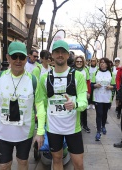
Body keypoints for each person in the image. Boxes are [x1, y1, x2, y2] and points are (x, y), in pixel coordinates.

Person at [0, 41, 46, 170]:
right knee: (4, 165)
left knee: (23, 163)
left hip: (25, 133)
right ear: (8, 58)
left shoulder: (33, 80)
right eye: (14, 57)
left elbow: (40, 106)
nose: (18, 60)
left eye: (22, 57)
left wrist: (40, 132)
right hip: (3, 132)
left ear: (26, 58)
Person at [40, 40, 87, 170]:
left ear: (67, 55)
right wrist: (40, 127)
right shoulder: (44, 78)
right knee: (56, 159)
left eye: (63, 52)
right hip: (53, 128)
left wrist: (75, 104)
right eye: (57, 52)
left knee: (78, 163)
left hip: (73, 128)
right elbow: (41, 104)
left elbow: (84, 101)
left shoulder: (77, 76)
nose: (60, 55)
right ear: (52, 55)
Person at [91, 58, 115, 141]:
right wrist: (95, 85)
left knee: (104, 114)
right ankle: (98, 131)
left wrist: (111, 87)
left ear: (107, 64)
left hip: (107, 98)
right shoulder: (96, 72)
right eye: (101, 62)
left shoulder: (111, 73)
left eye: (104, 63)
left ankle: (103, 126)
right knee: (99, 114)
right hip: (97, 97)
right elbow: (91, 84)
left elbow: (114, 86)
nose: (102, 64)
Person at [74, 55, 91, 133]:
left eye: (80, 61)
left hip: (83, 93)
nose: (79, 63)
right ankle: (76, 125)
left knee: (84, 110)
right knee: (75, 109)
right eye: (77, 61)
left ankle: (85, 125)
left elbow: (88, 82)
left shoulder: (85, 70)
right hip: (74, 93)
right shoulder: (72, 70)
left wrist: (88, 92)